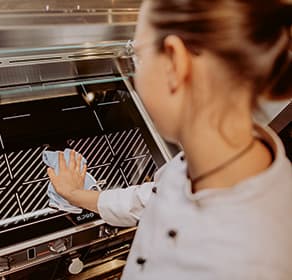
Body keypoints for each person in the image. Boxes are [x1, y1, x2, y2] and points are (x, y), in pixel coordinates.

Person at [47, 0, 292, 279]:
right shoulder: (221, 154)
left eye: (136, 58)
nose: (135, 75)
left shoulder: (245, 265)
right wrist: (77, 196)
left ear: (176, 63)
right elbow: (154, 197)